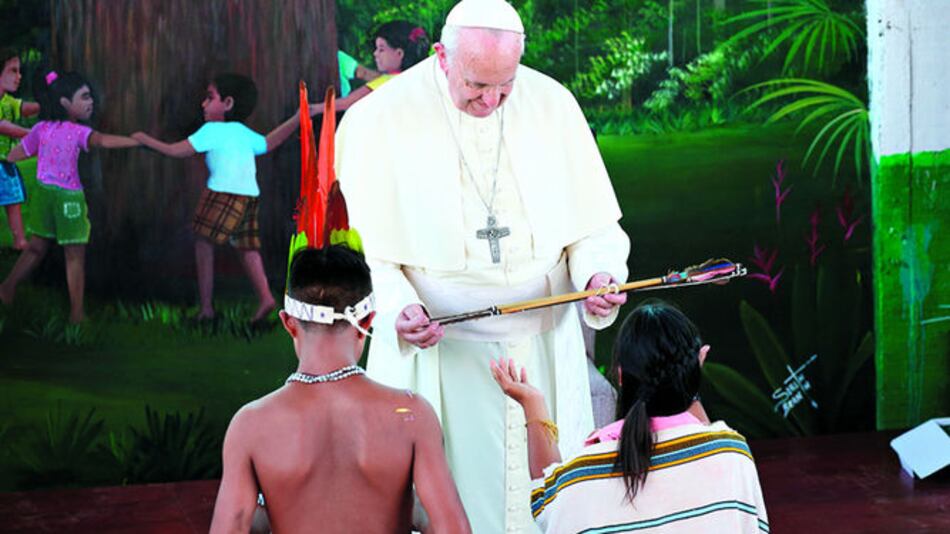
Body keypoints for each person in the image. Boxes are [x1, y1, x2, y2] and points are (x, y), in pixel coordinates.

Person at [335, 0, 630, 531]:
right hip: (441, 356)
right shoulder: (379, 120)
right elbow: (368, 252)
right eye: (476, 86)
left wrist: (598, 275)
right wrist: (400, 308)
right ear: (441, 56)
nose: (491, 100)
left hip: (542, 347)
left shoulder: (553, 105)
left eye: (505, 86)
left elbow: (592, 227)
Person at [209, 246, 471, 534]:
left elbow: (230, 527)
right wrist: (415, 511)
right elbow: (454, 530)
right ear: (366, 322)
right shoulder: (412, 414)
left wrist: (272, 510)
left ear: (288, 323)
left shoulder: (251, 423)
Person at [492, 300, 770, 533]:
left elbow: (546, 497)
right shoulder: (732, 454)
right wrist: (690, 381)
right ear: (699, 363)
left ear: (621, 375)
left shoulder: (582, 476)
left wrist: (532, 404)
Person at [132, 73, 301, 323]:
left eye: (210, 98)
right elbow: (269, 142)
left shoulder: (211, 131)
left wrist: (145, 140)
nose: (203, 104)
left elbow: (176, 151)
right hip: (249, 196)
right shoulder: (242, 132)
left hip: (223, 194)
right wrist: (297, 118)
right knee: (247, 248)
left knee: (203, 243)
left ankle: (206, 308)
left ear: (228, 103)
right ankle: (265, 297)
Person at [0, 70, 139, 323]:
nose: (91, 102)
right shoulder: (78, 132)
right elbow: (103, 141)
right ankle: (76, 312)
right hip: (68, 199)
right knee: (74, 254)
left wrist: (10, 157)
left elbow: (17, 153)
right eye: (84, 97)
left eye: (90, 96)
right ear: (65, 102)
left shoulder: (42, 129)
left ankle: (8, 287)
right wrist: (135, 142)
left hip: (43, 194)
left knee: (36, 247)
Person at [311, 21, 432, 114]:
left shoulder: (385, 81)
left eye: (381, 49)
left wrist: (315, 109)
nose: (375, 54)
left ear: (399, 53)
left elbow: (347, 103)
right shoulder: (417, 79)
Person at [0, 48, 41, 250]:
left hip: (5, 161)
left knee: (13, 199)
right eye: (13, 71)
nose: (19, 76)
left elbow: (24, 107)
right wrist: (32, 134)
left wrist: (44, 104)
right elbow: (2, 126)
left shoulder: (7, 101)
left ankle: (19, 241)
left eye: (19, 71)